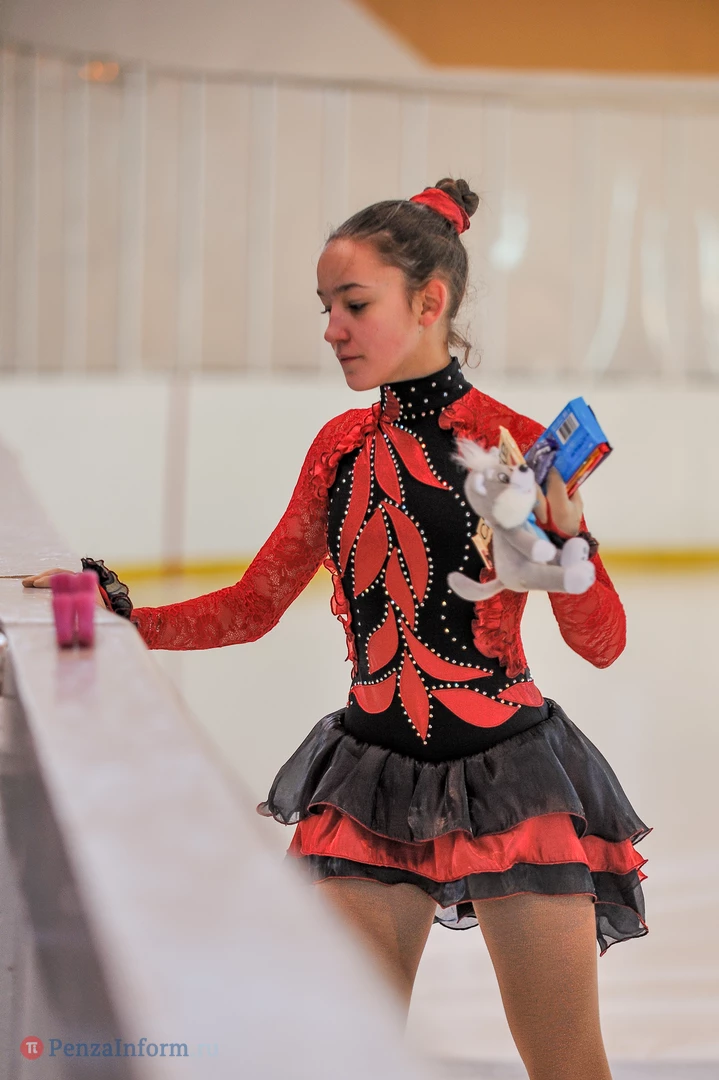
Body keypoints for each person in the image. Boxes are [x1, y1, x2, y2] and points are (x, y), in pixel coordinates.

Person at [24, 178, 651, 1080]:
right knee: (341, 1060)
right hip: (369, 791)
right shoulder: (339, 448)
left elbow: (602, 642)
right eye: (325, 307)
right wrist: (114, 613)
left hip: (513, 788)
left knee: (567, 1070)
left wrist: (567, 541)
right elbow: (252, 605)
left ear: (428, 302)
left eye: (353, 304)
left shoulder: (512, 446)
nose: (331, 329)